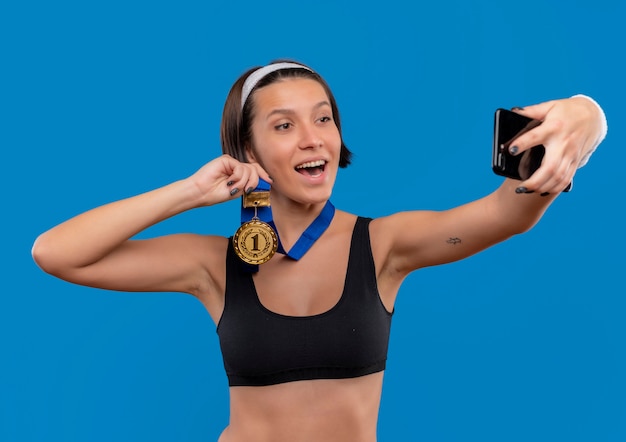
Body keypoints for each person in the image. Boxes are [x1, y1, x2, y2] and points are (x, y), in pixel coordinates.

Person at [31, 60, 607, 441]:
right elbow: (57, 253)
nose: (313, 138)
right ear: (246, 147)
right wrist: (190, 192)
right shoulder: (213, 264)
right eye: (283, 126)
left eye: (324, 119)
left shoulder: (383, 246)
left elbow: (508, 213)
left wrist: (587, 115)